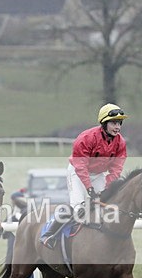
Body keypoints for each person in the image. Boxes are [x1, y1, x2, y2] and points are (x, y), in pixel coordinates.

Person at [42, 103, 127, 247]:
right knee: (79, 209)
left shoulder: (120, 143)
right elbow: (81, 167)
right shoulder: (86, 138)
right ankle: (49, 235)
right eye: (114, 123)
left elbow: (116, 169)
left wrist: (107, 187)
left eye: (119, 123)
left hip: (98, 174)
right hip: (77, 172)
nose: (117, 127)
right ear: (104, 123)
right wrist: (89, 189)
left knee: (104, 207)